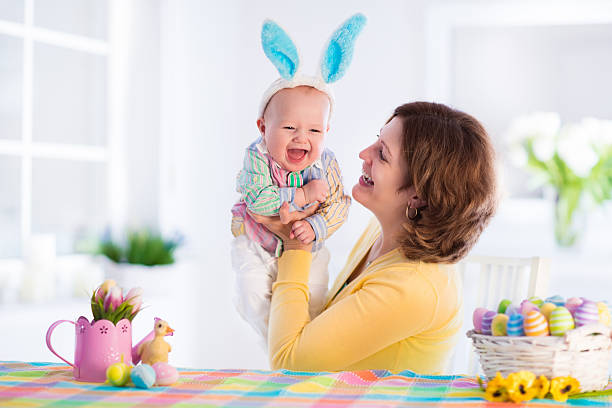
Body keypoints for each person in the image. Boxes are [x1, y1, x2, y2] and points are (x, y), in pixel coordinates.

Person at [251, 101, 498, 373]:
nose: (363, 153)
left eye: (382, 154)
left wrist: (296, 245)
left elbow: (289, 364)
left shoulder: (414, 286)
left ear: (418, 195)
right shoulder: (383, 232)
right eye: (376, 140)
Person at [231, 15, 366, 346]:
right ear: (264, 127)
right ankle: (279, 347)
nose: (301, 138)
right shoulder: (256, 156)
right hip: (257, 243)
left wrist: (317, 226)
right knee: (253, 295)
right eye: (289, 128)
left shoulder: (326, 162)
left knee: (314, 301)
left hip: (310, 249)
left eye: (314, 130)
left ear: (327, 132)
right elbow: (259, 201)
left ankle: (301, 351)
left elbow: (338, 205)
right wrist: (303, 193)